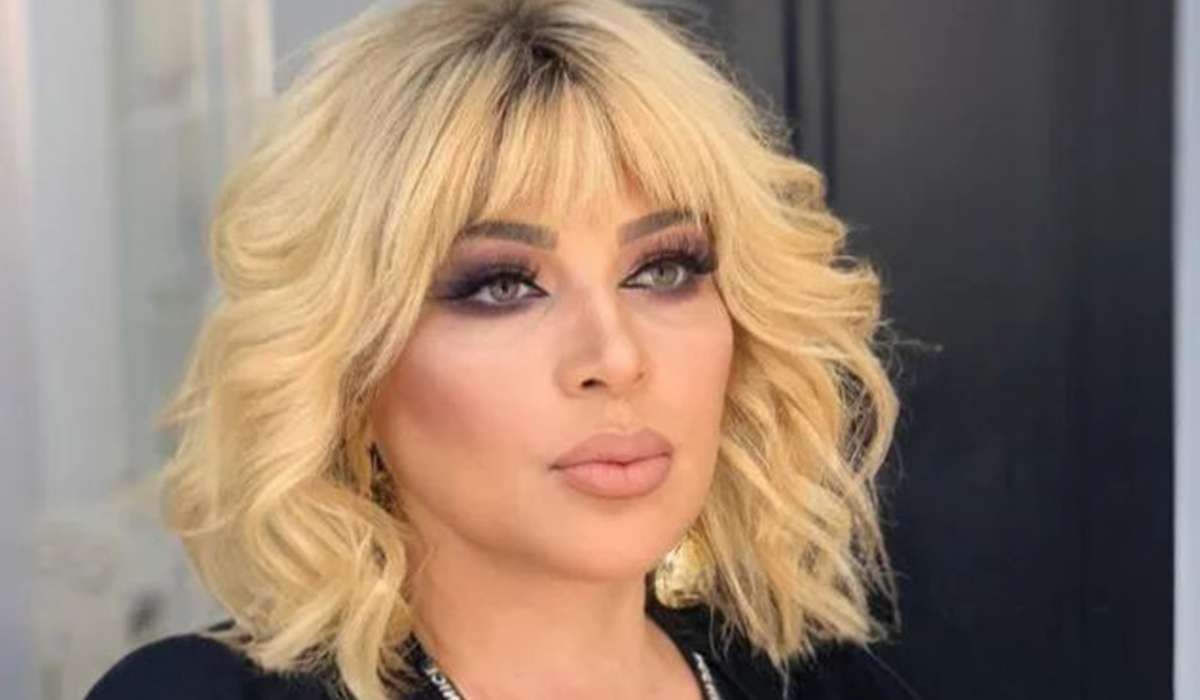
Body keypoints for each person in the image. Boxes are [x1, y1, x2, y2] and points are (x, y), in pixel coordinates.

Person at [85, 0, 922, 698]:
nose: (616, 357)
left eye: (663, 269)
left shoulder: (832, 686)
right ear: (352, 372)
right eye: (502, 285)